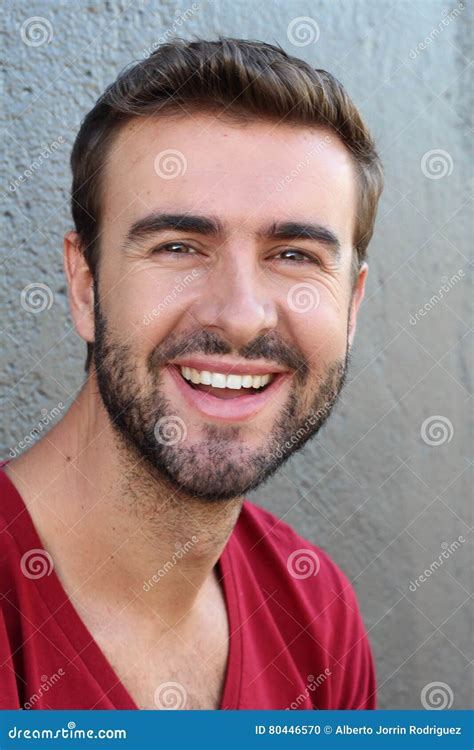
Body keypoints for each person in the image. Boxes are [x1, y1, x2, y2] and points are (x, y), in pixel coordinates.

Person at [0, 36, 383, 710]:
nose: (239, 317)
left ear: (350, 306)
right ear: (86, 285)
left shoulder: (318, 615)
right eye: (179, 246)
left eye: (294, 255)